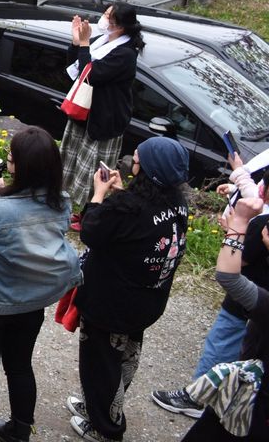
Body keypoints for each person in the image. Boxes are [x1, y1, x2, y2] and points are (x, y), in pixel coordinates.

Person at [0, 127, 82, 442]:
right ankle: (20, 430)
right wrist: (6, 191)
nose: (7, 161)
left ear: (22, 167)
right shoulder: (61, 203)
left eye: (12, 158)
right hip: (32, 304)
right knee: (19, 365)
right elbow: (29, 212)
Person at [66, 136, 190, 442]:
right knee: (123, 358)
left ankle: (106, 429)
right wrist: (119, 195)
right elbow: (139, 227)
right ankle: (101, 407)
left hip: (111, 305)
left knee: (100, 365)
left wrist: (99, 195)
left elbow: (92, 231)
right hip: (147, 299)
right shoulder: (177, 205)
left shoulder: (127, 208)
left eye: (137, 158)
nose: (132, 161)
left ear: (146, 169)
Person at [152, 157, 269, 420]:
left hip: (246, 302)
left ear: (264, 190)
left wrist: (234, 232)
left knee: (221, 344)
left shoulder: (262, 225)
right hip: (258, 307)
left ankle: (195, 397)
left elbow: (236, 265)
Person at [182, 166, 269, 442]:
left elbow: (230, 276)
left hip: (252, 400)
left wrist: (237, 227)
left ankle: (193, 398)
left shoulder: (257, 226)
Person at [61, 3, 142, 214]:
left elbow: (92, 75)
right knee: (73, 163)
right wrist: (77, 41)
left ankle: (92, 211)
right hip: (84, 113)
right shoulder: (103, 42)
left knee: (96, 170)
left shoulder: (125, 54)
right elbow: (76, 67)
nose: (103, 19)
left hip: (105, 119)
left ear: (120, 26)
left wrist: (85, 44)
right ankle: (72, 207)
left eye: (108, 16)